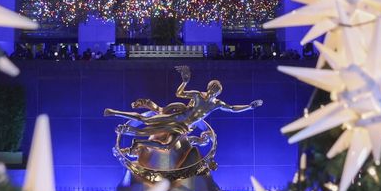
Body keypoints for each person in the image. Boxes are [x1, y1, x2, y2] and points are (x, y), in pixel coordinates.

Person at [103, 66, 262, 153]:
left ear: (218, 93)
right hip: (176, 118)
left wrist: (249, 106)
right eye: (212, 90)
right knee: (145, 119)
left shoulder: (216, 104)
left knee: (167, 146)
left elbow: (233, 108)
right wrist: (185, 81)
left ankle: (138, 142)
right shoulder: (198, 95)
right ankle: (114, 112)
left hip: (183, 127)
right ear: (208, 88)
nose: (213, 93)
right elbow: (179, 93)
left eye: (216, 92)